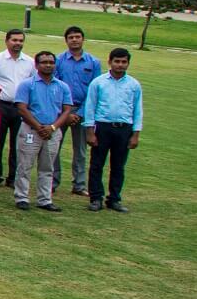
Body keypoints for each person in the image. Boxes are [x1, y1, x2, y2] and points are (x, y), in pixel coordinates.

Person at [10, 50, 76, 212]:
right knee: (25, 165)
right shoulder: (27, 84)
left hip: (53, 131)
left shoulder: (62, 86)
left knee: (48, 167)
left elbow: (67, 110)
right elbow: (22, 108)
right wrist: (39, 127)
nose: (48, 65)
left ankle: (45, 199)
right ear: (37, 65)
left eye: (51, 62)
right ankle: (22, 197)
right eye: (44, 62)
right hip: (31, 130)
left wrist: (52, 127)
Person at [82, 47, 143, 213]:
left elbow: (137, 110)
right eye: (117, 61)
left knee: (118, 166)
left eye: (124, 62)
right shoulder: (99, 82)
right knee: (97, 164)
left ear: (128, 64)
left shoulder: (133, 85)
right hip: (103, 127)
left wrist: (135, 134)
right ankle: (96, 198)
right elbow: (90, 107)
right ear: (110, 62)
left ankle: (114, 199)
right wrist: (90, 131)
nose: (120, 65)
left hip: (124, 129)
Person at [52, 27, 102, 196]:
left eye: (77, 37)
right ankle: (53, 181)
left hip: (84, 109)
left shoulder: (93, 62)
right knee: (55, 147)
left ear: (83, 39)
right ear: (66, 40)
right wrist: (66, 112)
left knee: (80, 149)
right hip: (61, 110)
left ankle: (79, 185)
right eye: (71, 37)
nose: (74, 40)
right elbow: (55, 86)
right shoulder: (58, 60)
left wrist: (80, 113)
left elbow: (94, 90)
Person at [0, 30, 33, 187]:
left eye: (20, 40)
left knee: (18, 143)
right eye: (14, 40)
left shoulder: (30, 62)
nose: (17, 43)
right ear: (7, 41)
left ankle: (13, 177)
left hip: (21, 107)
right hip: (0, 104)